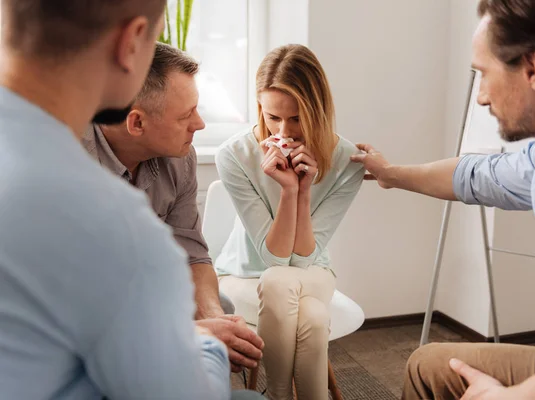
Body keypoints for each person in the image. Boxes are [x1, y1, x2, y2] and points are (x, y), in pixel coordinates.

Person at [0, 1, 262, 399]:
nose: (200, 124)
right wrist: (202, 339)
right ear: (131, 42)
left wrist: (205, 318)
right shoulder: (116, 224)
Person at [352, 0, 535, 399]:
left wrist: (500, 397)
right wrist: (390, 174)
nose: (482, 97)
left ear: (534, 69)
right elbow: (477, 176)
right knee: (429, 365)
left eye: (484, 74)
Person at [83, 42, 263, 373]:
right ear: (136, 124)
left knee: (218, 306)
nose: (200, 124)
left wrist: (212, 318)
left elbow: (191, 252)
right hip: (85, 319)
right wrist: (195, 333)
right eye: (186, 115)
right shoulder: (66, 163)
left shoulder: (181, 159)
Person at [215, 44, 365, 400]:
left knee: (285, 283)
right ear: (260, 110)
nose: (283, 130)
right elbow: (276, 259)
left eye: (296, 118)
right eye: (272, 117)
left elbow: (301, 259)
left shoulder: (347, 160)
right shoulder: (234, 155)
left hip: (312, 270)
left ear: (318, 110)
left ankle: (277, 397)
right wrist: (286, 191)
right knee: (310, 314)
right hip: (242, 276)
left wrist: (304, 190)